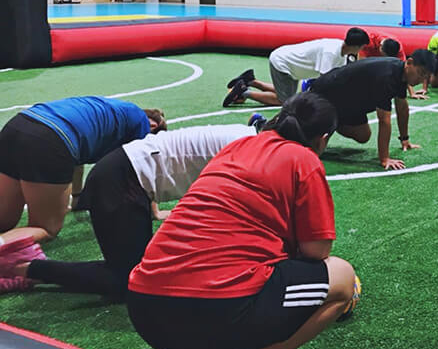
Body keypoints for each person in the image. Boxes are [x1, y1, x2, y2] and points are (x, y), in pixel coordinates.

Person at [127, 93, 357, 349]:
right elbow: (316, 251)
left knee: (218, 262)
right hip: (215, 310)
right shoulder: (304, 159)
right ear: (323, 138)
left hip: (145, 309)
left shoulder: (235, 147)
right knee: (342, 279)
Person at [0, 122, 257, 297]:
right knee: (128, 281)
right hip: (120, 181)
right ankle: (25, 268)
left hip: (126, 177)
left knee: (149, 271)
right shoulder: (252, 149)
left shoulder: (249, 138)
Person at [0, 96, 165, 250]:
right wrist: (154, 212)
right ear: (153, 125)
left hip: (17, 126)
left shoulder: (110, 113)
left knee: (4, 220)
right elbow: (143, 168)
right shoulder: (141, 123)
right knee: (46, 228)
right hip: (49, 138)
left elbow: (77, 162)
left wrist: (78, 198)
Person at [309, 50, 437, 170]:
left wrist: (405, 139)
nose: (420, 80)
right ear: (409, 62)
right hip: (327, 94)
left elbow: (402, 108)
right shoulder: (386, 77)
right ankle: (324, 122)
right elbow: (384, 120)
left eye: (425, 77)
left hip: (351, 100)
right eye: (420, 73)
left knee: (363, 135)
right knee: (314, 151)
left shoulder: (401, 74)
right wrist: (384, 159)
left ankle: (335, 121)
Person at [223, 28, 370, 107]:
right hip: (283, 63)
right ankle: (244, 92)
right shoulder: (331, 53)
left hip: (293, 68)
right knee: (285, 101)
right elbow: (325, 81)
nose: (362, 50)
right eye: (362, 47)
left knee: (289, 95)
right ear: (355, 46)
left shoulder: (342, 52)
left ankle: (251, 81)